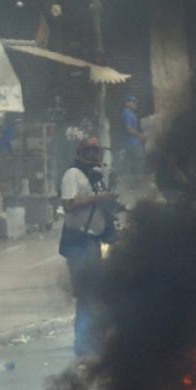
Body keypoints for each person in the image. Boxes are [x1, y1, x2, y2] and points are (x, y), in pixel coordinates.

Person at [59, 137, 118, 357]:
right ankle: (84, 343)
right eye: (91, 151)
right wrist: (97, 198)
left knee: (95, 293)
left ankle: (94, 340)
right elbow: (68, 204)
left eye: (97, 151)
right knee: (87, 294)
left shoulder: (95, 177)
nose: (95, 156)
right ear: (82, 153)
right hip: (78, 243)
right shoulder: (73, 175)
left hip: (93, 242)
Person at [121, 96, 145, 188]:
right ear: (127, 103)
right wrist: (140, 135)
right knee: (138, 161)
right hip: (131, 143)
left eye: (135, 102)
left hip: (132, 143)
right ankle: (135, 183)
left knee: (130, 163)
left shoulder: (131, 114)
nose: (136, 104)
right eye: (133, 102)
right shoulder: (127, 114)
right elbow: (129, 129)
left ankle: (132, 184)